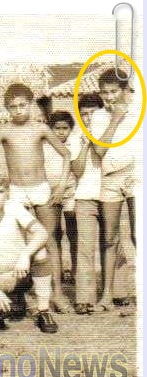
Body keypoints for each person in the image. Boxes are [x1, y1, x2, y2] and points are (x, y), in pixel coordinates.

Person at [0, 83, 73, 314]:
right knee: (19, 242)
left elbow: (66, 154)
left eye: (23, 105)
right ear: (6, 108)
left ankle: (57, 294)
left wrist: (60, 185)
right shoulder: (4, 130)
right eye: (13, 107)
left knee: (49, 241)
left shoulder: (40, 128)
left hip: (41, 188)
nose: (18, 110)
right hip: (17, 192)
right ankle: (22, 294)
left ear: (30, 105)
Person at [0, 171, 58, 333]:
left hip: (20, 274)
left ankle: (43, 311)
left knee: (40, 251)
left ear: (7, 193)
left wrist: (25, 254)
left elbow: (41, 232)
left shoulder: (14, 208)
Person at [89, 68, 138, 311]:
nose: (109, 97)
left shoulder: (139, 112)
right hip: (109, 177)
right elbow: (98, 151)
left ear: (124, 91)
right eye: (104, 92)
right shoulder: (98, 117)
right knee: (109, 238)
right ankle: (107, 295)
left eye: (113, 92)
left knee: (139, 235)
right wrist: (115, 119)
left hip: (136, 176)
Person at [68, 93, 106, 314]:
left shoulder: (114, 131)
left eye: (93, 113)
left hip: (111, 194)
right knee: (85, 247)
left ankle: (116, 292)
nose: (89, 118)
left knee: (112, 243)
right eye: (84, 115)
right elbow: (77, 170)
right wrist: (85, 144)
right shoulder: (76, 137)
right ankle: (84, 298)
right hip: (85, 196)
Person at [45, 111, 78, 285]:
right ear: (50, 129)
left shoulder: (74, 144)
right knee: (55, 232)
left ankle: (74, 270)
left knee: (73, 232)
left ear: (71, 129)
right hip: (51, 193)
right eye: (57, 128)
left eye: (65, 128)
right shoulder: (45, 145)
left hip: (71, 192)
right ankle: (55, 272)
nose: (61, 132)